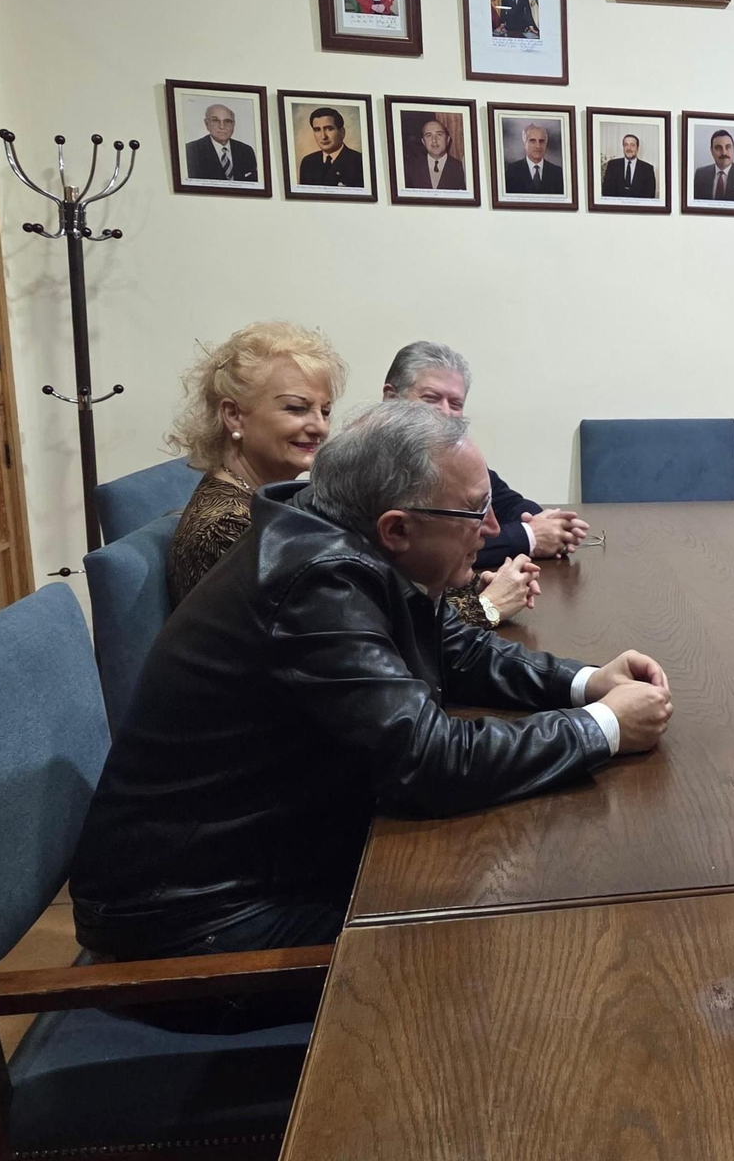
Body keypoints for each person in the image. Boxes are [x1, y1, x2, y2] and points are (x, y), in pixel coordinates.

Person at [68, 400, 674, 1030]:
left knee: (508, 891)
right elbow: (429, 761)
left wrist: (584, 683)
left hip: (271, 860)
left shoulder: (337, 529)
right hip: (193, 924)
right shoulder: (318, 581)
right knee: (508, 953)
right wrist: (603, 727)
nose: (494, 527)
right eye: (475, 511)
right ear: (396, 529)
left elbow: (454, 647)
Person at [382, 341, 589, 627]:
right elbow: (401, 627)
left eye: (455, 404)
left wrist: (547, 524)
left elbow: (506, 502)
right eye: (431, 398)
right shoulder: (375, 466)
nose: (445, 413)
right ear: (391, 398)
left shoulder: (451, 456)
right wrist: (488, 607)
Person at [164, 322, 347, 606]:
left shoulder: (264, 501)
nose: (320, 427)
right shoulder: (227, 529)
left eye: (325, 411)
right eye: (296, 408)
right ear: (233, 415)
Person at [184, 103, 258, 183]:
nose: (222, 126)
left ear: (233, 124)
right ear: (207, 123)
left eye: (227, 121)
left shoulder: (246, 151)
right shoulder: (191, 151)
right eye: (215, 121)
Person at [297, 106, 366, 188]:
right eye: (317, 130)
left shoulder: (360, 162)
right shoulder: (308, 162)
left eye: (329, 129)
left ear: (342, 132)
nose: (323, 136)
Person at [403, 118, 466, 191]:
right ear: (423, 142)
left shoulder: (461, 168)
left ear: (447, 140)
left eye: (439, 134)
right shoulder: (410, 168)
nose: (434, 140)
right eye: (429, 135)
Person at [691, 129, 734, 202]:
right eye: (718, 148)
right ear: (711, 151)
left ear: (733, 149)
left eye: (728, 147)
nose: (724, 153)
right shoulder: (700, 174)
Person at [506, 122, 564, 194]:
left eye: (541, 141)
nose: (538, 146)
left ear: (546, 144)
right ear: (525, 144)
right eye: (532, 141)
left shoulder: (558, 173)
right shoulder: (511, 171)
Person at [601, 134, 656, 199]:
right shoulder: (612, 165)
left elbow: (650, 196)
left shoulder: (648, 169)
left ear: (637, 148)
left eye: (632, 145)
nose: (629, 148)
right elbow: (606, 192)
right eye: (626, 145)